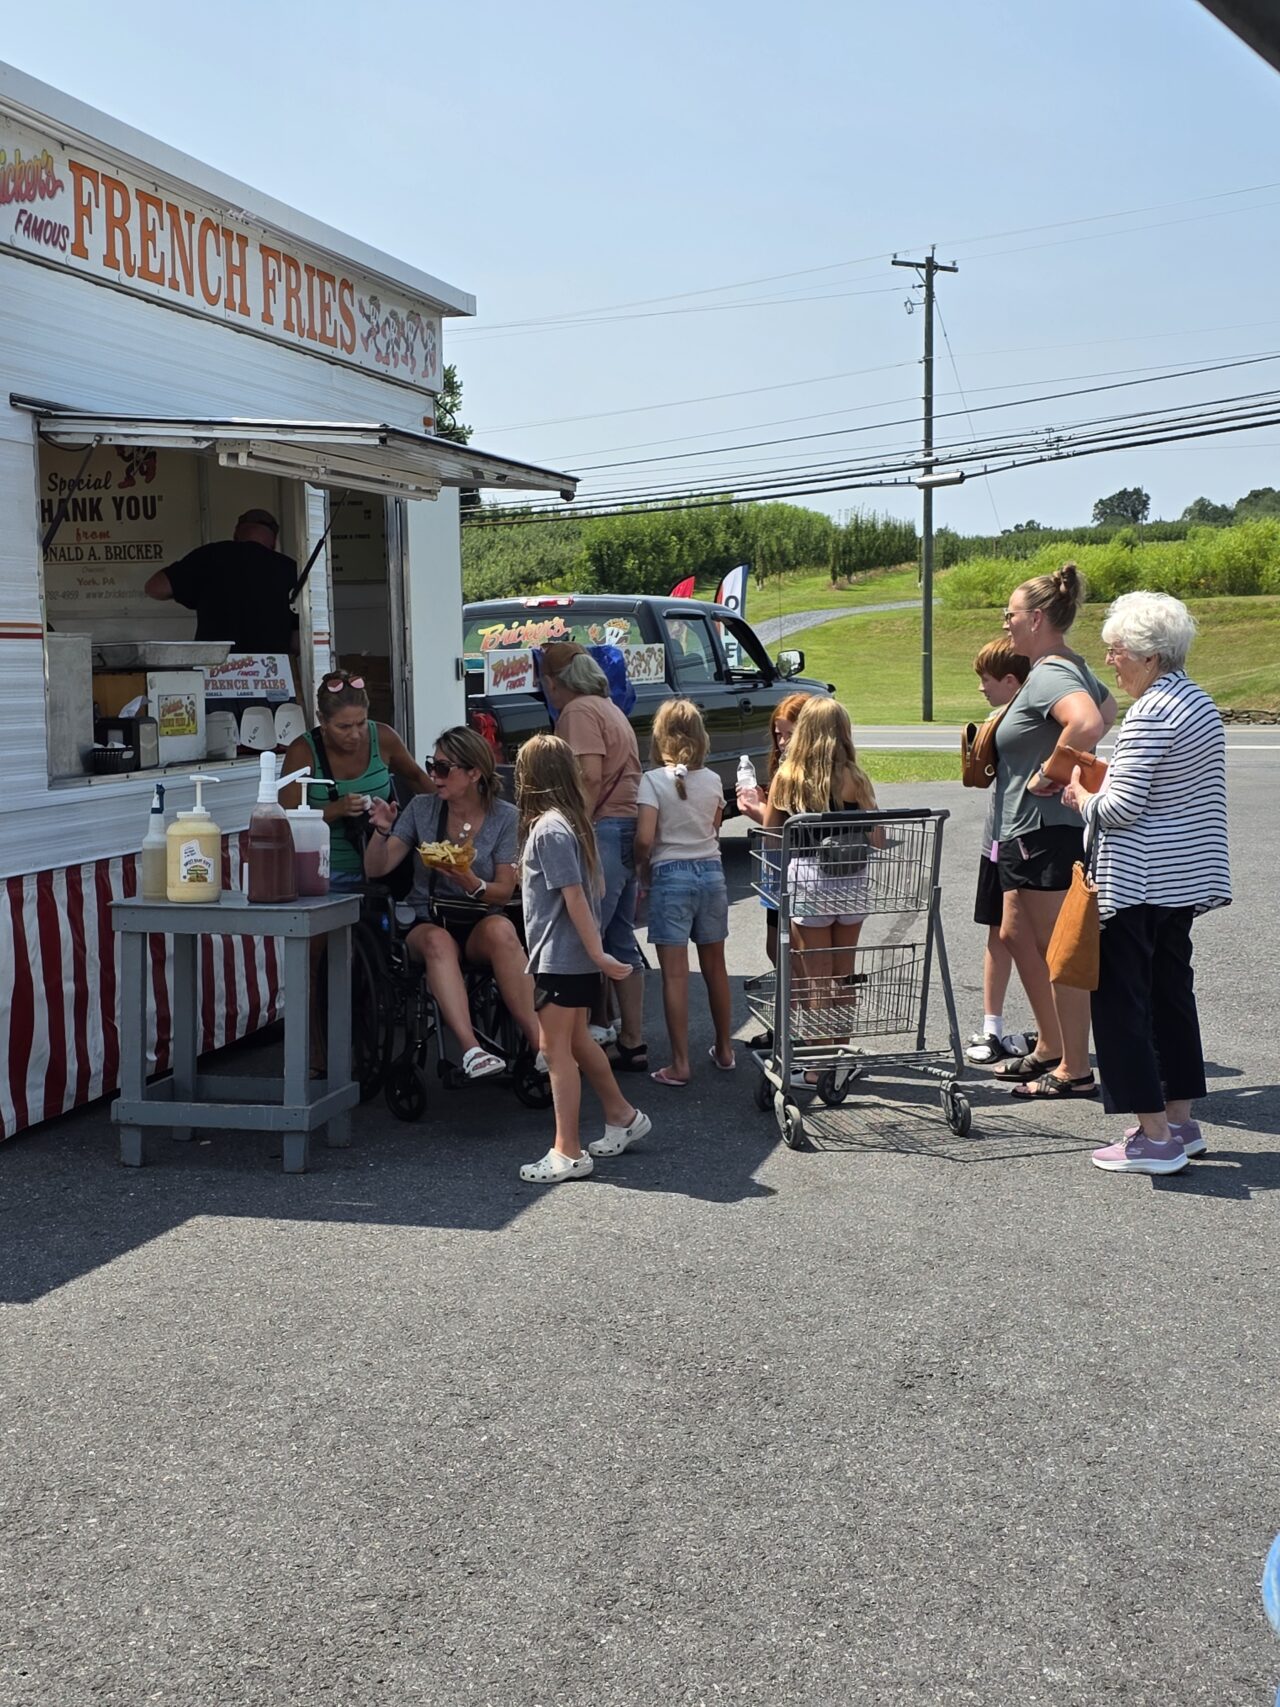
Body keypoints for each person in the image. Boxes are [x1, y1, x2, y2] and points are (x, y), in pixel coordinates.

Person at [1061, 592, 1231, 1175]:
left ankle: (1153, 1136)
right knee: (1171, 997)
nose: (1111, 661)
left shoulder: (1152, 711)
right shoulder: (1200, 704)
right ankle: (1180, 1122)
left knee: (1121, 1005)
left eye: (1117, 651)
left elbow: (1123, 808)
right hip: (1182, 881)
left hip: (1135, 883)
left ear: (1149, 655)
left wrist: (1084, 797)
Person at [989, 563, 1118, 1101]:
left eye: (1012, 614)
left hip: (1043, 830)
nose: (1006, 623)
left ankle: (1074, 1067)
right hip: (1032, 831)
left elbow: (1088, 722)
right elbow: (1108, 710)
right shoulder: (1068, 665)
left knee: (1058, 950)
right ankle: (1049, 1044)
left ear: (1037, 618)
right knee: (1015, 933)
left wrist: (1052, 771)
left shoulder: (1050, 673)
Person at [364, 726, 542, 1080]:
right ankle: (471, 1050)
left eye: (444, 769)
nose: (434, 775)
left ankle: (543, 1048)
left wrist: (470, 882)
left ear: (474, 772)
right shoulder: (422, 809)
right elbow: (377, 868)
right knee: (437, 941)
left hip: (478, 919)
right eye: (433, 765)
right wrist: (382, 830)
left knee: (504, 931)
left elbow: (504, 890)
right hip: (426, 918)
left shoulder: (505, 816)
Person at [514, 734, 651, 1184]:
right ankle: (623, 1115)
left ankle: (567, 1150)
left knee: (555, 1053)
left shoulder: (549, 829)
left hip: (562, 957)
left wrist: (598, 953)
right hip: (571, 958)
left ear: (530, 778)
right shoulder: (571, 823)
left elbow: (574, 898)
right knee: (575, 1044)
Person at [539, 641, 647, 1070]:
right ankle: (632, 1041)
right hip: (626, 825)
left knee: (583, 939)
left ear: (553, 682)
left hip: (601, 828)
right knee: (619, 937)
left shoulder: (578, 712)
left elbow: (588, 776)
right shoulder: (608, 707)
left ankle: (577, 1045)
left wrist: (575, 831)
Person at [764, 698, 883, 1062]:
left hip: (809, 880)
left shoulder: (789, 778)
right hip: (851, 880)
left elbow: (771, 835)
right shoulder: (855, 778)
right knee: (843, 973)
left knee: (816, 974)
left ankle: (819, 1059)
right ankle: (840, 1054)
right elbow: (876, 837)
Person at [634, 699, 733, 1087]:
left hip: (670, 876)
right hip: (712, 874)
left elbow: (644, 838)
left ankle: (680, 1063)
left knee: (675, 976)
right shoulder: (711, 780)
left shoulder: (652, 781)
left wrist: (641, 865)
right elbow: (714, 827)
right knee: (715, 968)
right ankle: (724, 1049)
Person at [279, 674, 433, 893]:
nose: (355, 734)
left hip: (384, 871)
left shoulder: (383, 737)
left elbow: (417, 779)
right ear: (322, 720)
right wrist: (334, 810)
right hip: (324, 872)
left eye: (361, 723)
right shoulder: (303, 752)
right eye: (343, 727)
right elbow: (285, 821)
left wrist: (453, 816)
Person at [965, 640, 1035, 1066]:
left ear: (1011, 681)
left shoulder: (1040, 720)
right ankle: (992, 1026)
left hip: (1027, 841)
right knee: (998, 931)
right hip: (995, 840)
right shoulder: (997, 719)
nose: (980, 688)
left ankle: (1054, 1029)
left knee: (1041, 939)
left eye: (985, 680)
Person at [144, 510, 299, 653]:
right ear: (274, 542)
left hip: (215, 670)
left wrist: (194, 591)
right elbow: (297, 641)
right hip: (273, 674)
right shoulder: (291, 569)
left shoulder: (209, 556)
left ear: (236, 534)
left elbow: (155, 587)